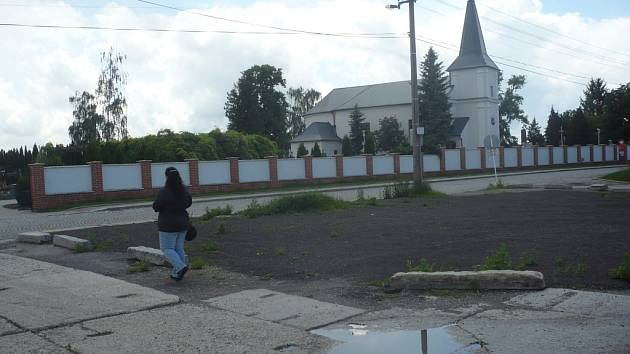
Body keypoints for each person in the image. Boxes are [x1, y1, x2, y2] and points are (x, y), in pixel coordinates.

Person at [152, 167, 192, 281]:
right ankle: (176, 273)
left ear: (166, 177)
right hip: (183, 222)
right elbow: (189, 203)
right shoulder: (184, 190)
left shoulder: (165, 191)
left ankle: (180, 267)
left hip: (168, 224)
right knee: (179, 248)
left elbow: (156, 206)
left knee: (167, 248)